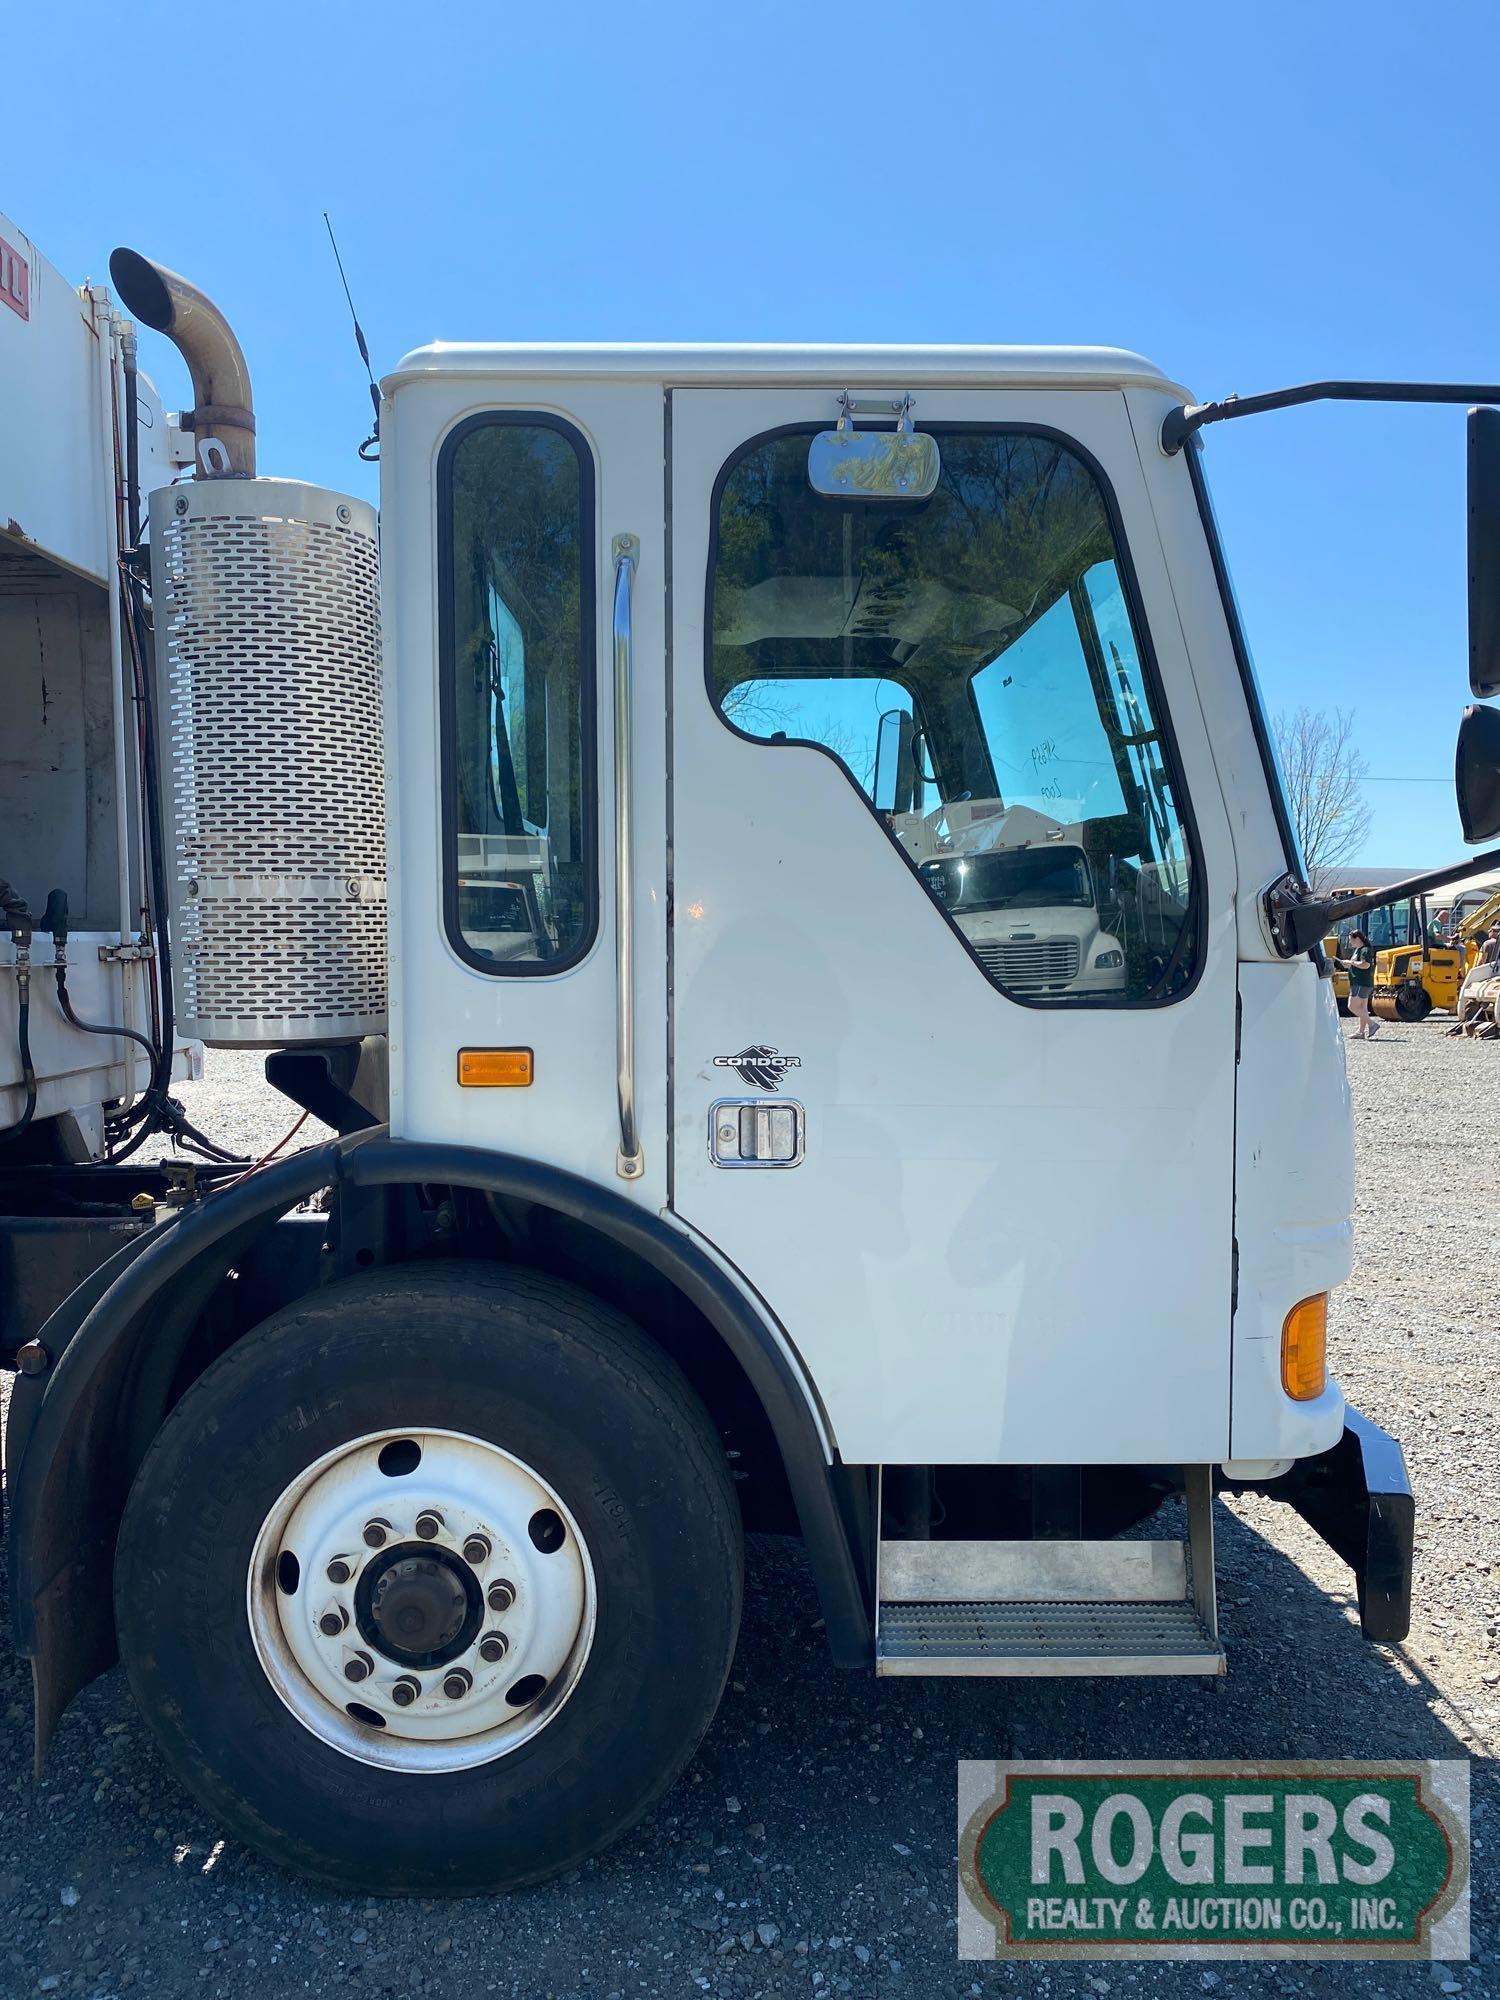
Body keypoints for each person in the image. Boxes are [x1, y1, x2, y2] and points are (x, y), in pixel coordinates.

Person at [1337, 929, 1378, 1038]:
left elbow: (1366, 965)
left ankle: (1372, 1024)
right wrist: (1347, 964)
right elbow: (1356, 964)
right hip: (1360, 982)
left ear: (1358, 939)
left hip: (1361, 982)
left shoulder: (1365, 950)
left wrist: (1350, 962)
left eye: (1351, 940)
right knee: (1362, 1008)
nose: (1350, 942)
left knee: (1351, 1006)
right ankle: (1360, 1032)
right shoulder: (1358, 950)